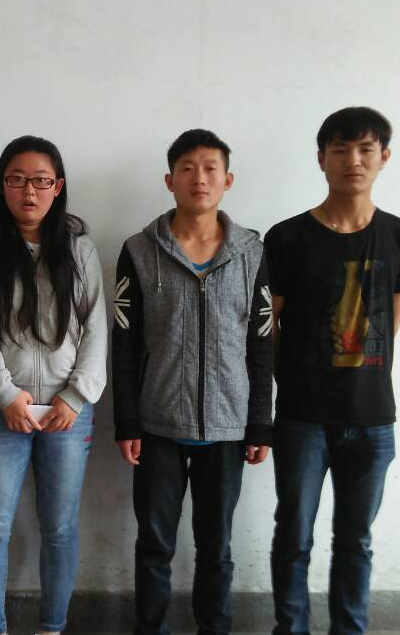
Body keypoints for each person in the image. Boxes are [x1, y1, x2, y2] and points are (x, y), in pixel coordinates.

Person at [266, 107, 400, 634]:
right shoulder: (286, 238)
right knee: (294, 535)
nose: (352, 160)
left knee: (356, 540)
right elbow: (269, 329)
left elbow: (390, 328)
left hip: (373, 418)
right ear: (321, 159)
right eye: (340, 150)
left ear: (384, 157)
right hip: (302, 417)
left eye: (364, 149)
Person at [112, 129, 273, 635]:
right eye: (186, 168)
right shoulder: (139, 250)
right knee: (154, 545)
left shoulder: (251, 252)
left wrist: (260, 422)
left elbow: (262, 342)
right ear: (169, 180)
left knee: (216, 546)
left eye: (209, 168)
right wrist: (126, 421)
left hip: (228, 427)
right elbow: (124, 342)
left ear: (227, 179)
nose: (198, 178)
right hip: (157, 425)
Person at [0, 135, 107, 635]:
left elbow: (96, 327)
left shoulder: (80, 249)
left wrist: (76, 395)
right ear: (2, 185)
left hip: (67, 413)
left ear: (57, 187)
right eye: (17, 179)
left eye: (41, 181)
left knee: (60, 528)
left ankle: (51, 628)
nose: (29, 191)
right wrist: (4, 393)